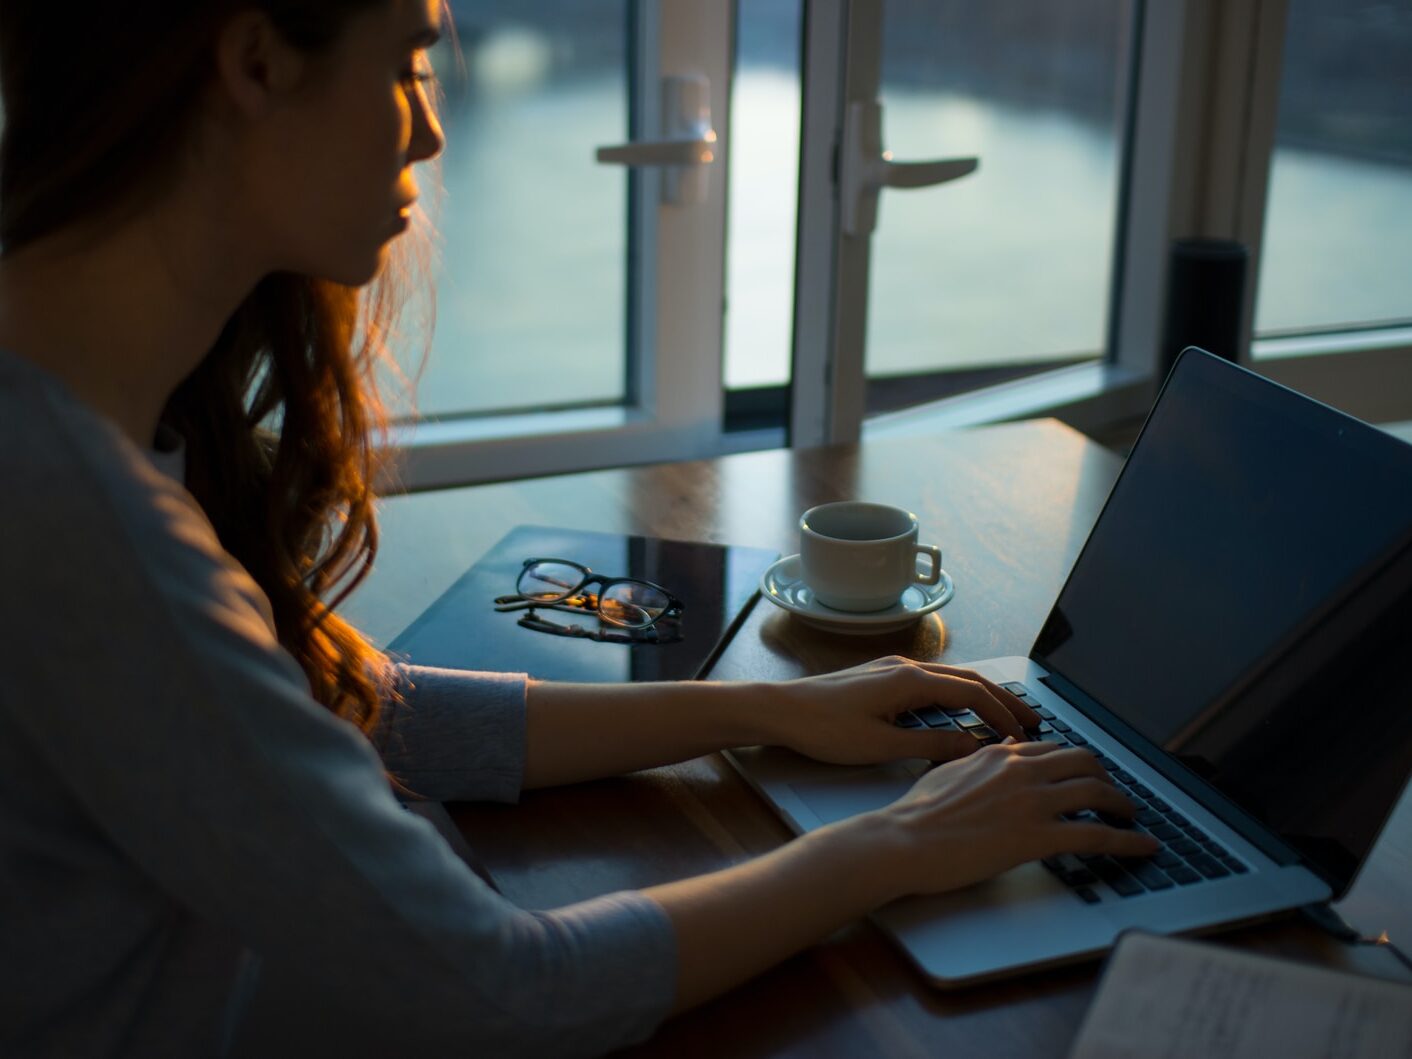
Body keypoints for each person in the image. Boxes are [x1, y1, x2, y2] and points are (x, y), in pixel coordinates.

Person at [0, 1, 1157, 1055]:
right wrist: (893, 847)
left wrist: (764, 710)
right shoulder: (82, 522)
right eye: (408, 62)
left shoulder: (65, 419)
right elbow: (507, 989)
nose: (428, 132)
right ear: (253, 59)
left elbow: (311, 706)